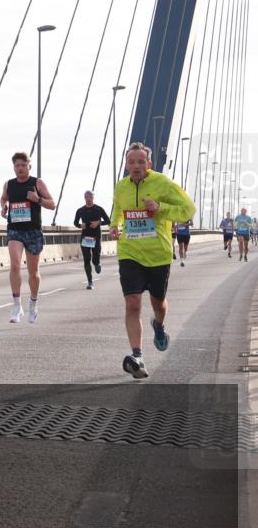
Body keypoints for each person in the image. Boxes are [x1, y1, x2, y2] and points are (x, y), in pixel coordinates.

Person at [109, 142, 195, 379]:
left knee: (159, 304)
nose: (135, 166)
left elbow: (188, 209)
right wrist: (114, 226)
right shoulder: (121, 187)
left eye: (140, 162)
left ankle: (159, 325)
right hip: (130, 252)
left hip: (158, 254)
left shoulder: (163, 183)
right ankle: (137, 356)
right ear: (126, 165)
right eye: (131, 162)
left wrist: (160, 207)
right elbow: (117, 209)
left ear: (149, 164)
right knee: (133, 303)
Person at [0, 152, 56, 323]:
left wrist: (37, 199)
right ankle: (17, 306)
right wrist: (4, 208)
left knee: (33, 272)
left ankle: (33, 302)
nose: (20, 168)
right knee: (15, 265)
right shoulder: (9, 184)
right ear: (14, 167)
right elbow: (3, 199)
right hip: (15, 230)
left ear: (29, 167)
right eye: (17, 165)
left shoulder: (36, 183)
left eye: (23, 165)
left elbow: (52, 204)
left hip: (33, 231)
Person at [73, 190, 110, 289]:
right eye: (87, 197)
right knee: (86, 260)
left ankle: (97, 263)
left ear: (93, 198)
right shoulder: (80, 210)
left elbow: (108, 220)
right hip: (85, 237)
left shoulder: (98, 209)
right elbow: (75, 223)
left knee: (95, 259)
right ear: (84, 198)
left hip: (96, 237)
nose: (88, 199)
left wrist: (98, 223)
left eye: (90, 197)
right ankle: (90, 282)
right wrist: (81, 225)